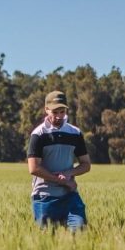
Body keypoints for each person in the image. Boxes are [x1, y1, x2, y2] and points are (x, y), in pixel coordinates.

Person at [27, 90, 91, 231]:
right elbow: (34, 168)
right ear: (46, 110)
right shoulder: (38, 135)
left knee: (79, 233)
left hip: (70, 196)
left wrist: (69, 173)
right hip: (44, 198)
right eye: (55, 112)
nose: (59, 116)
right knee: (48, 243)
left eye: (62, 112)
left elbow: (86, 165)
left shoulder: (75, 133)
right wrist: (61, 180)